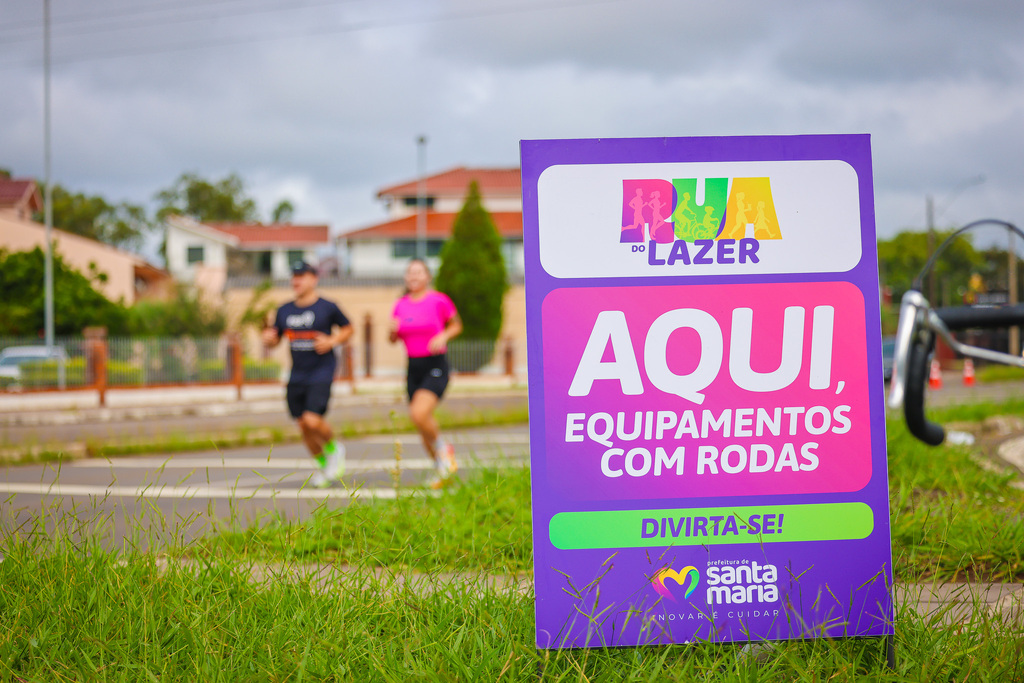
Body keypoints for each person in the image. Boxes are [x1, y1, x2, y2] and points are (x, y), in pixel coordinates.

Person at [263, 261, 353, 487]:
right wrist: (269, 340)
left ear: (314, 279)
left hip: (321, 371)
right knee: (303, 425)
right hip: (297, 374)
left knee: (312, 420)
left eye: (301, 276)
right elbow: (275, 339)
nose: (296, 280)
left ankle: (334, 448)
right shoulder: (284, 310)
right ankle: (323, 465)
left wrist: (332, 341)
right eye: (294, 276)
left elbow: (348, 328)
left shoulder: (327, 307)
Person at [389, 258, 463, 488]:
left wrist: (443, 335)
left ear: (428, 276)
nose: (414, 276)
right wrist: (391, 332)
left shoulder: (439, 300)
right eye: (410, 272)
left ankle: (444, 449)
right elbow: (393, 338)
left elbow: (456, 325)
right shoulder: (400, 305)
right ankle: (442, 472)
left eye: (419, 272)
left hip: (435, 364)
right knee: (420, 425)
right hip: (413, 367)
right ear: (405, 277)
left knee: (419, 413)